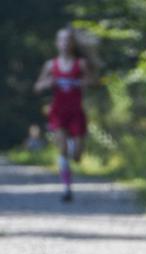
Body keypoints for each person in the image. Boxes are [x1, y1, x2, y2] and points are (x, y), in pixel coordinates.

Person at [34, 26, 99, 202]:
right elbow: (37, 87)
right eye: (61, 40)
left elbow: (94, 81)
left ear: (73, 43)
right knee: (62, 150)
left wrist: (83, 81)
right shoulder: (51, 65)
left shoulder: (81, 64)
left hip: (76, 112)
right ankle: (66, 188)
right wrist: (48, 83)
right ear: (56, 43)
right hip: (58, 112)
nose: (65, 43)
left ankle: (73, 149)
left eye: (68, 40)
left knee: (77, 156)